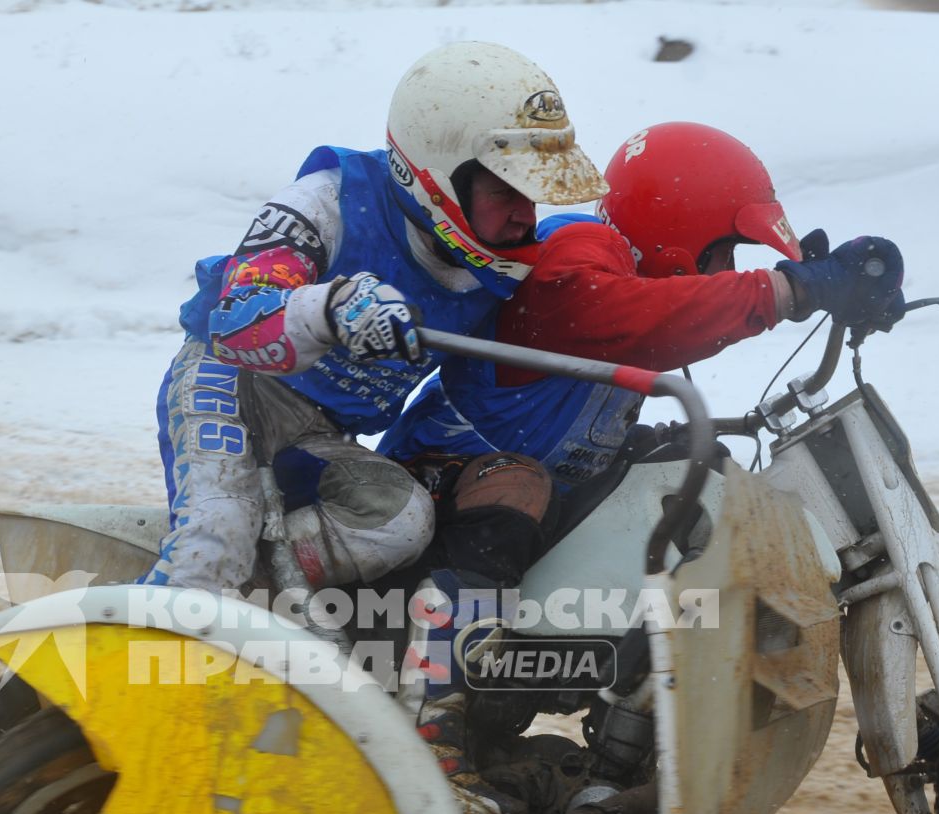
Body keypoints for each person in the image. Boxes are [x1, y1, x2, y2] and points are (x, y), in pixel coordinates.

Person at [378, 122, 908, 814]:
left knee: (684, 484)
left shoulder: (620, 271)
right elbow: (653, 317)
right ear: (674, 230)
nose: (722, 272)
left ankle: (622, 742)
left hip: (518, 505)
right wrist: (791, 290)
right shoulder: (575, 256)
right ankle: (430, 735)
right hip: (439, 497)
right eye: (719, 252)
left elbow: (608, 383)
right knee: (518, 490)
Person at [138, 41, 606, 595]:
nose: (524, 216)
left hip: (320, 431)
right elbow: (236, 323)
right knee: (214, 543)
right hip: (232, 387)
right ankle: (150, 629)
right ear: (438, 175)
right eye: (506, 190)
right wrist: (330, 309)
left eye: (532, 195)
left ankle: (254, 608)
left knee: (400, 524)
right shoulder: (327, 203)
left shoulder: (500, 270)